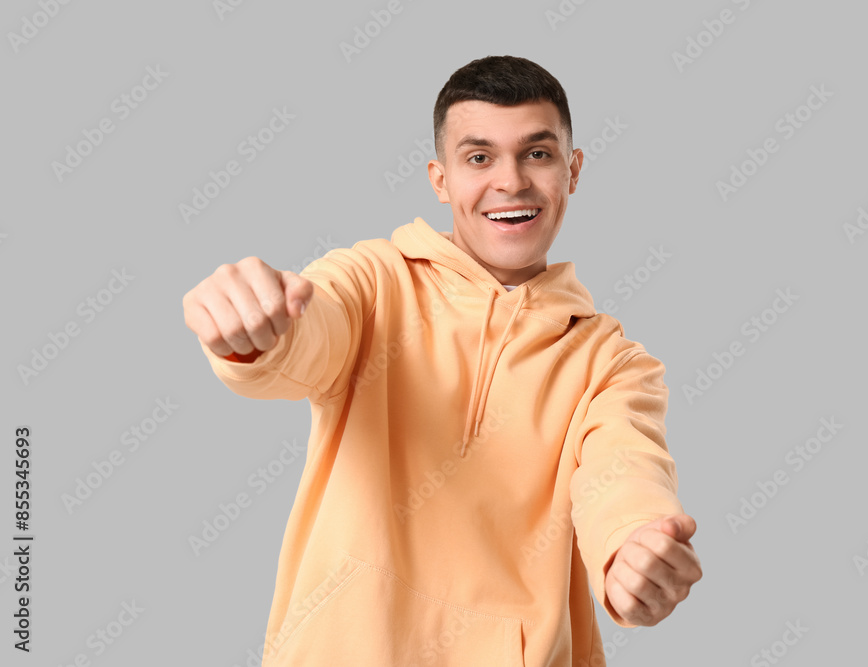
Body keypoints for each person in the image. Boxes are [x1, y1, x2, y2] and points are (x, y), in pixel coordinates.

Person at [182, 55, 701, 666]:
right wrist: (256, 329)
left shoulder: (610, 363)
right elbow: (314, 329)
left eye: (537, 153)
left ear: (573, 170)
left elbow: (625, 467)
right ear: (441, 179)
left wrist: (631, 544)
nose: (510, 181)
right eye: (479, 158)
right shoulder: (375, 282)